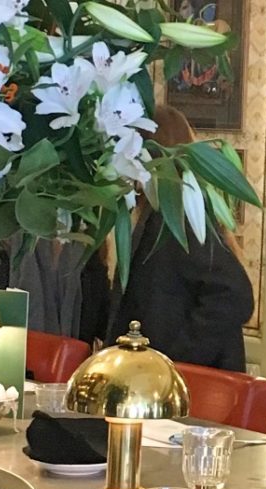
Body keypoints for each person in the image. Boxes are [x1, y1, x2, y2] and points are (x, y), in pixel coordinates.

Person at [106, 105, 254, 371]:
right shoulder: (162, 215)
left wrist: (176, 362)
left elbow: (235, 295)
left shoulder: (177, 220)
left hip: (183, 385)